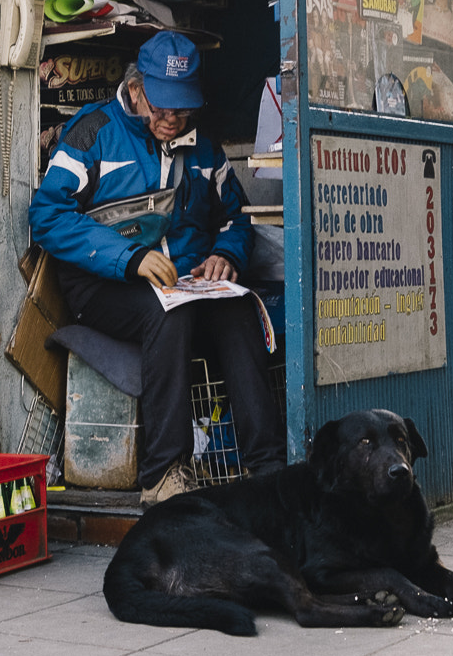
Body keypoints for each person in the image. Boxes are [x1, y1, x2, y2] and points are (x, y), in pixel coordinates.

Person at [29, 31, 285, 505]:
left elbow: (236, 217)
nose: (172, 119)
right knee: (167, 313)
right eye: (162, 107)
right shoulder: (92, 134)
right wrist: (128, 258)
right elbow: (46, 216)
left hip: (187, 283)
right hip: (104, 285)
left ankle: (266, 468)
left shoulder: (203, 149)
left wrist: (226, 255)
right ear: (137, 87)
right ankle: (164, 476)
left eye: (182, 109)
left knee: (237, 311)